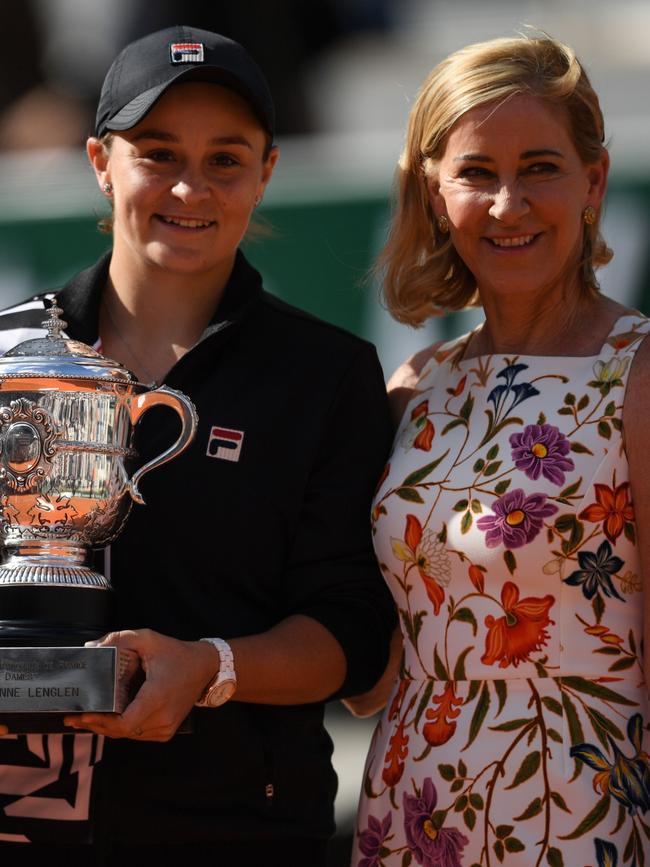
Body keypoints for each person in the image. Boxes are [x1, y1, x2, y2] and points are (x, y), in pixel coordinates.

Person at [0, 25, 396, 866]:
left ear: (268, 173)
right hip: (21, 823)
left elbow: (351, 633)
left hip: (237, 832)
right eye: (156, 151)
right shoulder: (10, 354)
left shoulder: (326, 374)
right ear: (101, 162)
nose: (190, 185)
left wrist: (211, 666)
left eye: (226, 157)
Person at [350, 34, 650, 866]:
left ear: (594, 181)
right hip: (409, 806)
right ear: (434, 194)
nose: (508, 203)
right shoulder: (416, 384)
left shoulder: (638, 373)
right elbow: (371, 663)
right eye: (477, 173)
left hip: (588, 811)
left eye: (541, 168)